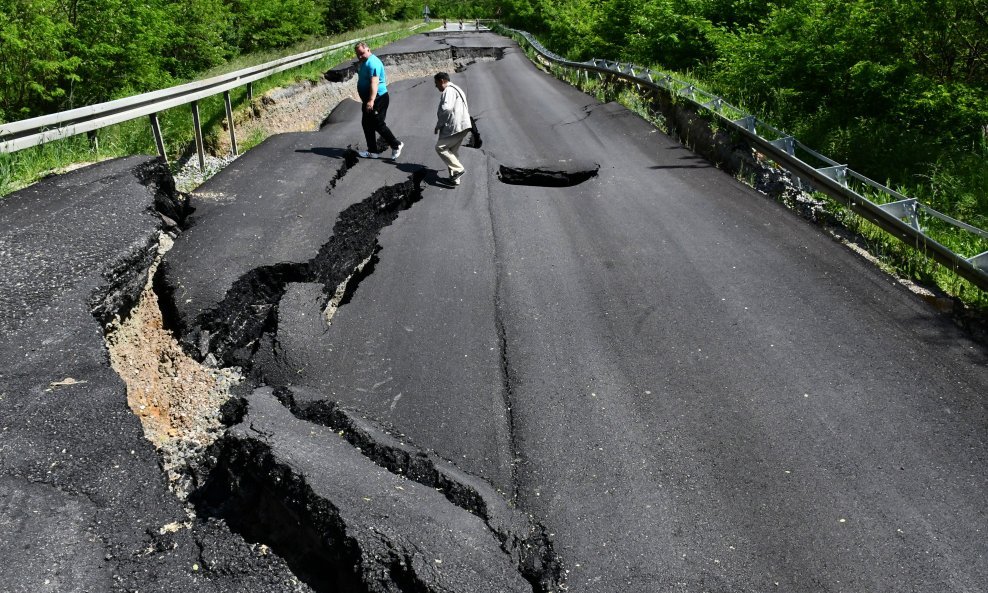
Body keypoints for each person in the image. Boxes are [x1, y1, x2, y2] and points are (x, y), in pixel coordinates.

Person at [354, 42, 404, 161]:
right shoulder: (365, 62)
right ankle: (372, 151)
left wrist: (371, 100)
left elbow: (374, 82)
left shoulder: (373, 62)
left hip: (378, 98)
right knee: (366, 124)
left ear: (368, 49)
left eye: (362, 53)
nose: (360, 56)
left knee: (377, 123)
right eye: (358, 55)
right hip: (369, 99)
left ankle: (396, 144)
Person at [433, 72, 472, 185]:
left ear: (442, 81)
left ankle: (459, 169)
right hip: (463, 126)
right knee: (452, 152)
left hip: (455, 126)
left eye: (436, 83)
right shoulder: (457, 89)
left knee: (440, 147)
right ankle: (454, 179)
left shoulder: (449, 90)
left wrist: (439, 125)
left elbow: (447, 109)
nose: (436, 86)